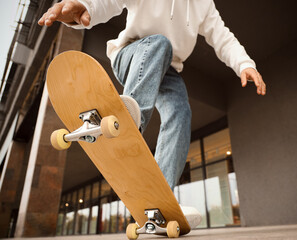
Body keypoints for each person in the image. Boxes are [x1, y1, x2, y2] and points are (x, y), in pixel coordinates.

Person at [38, 0, 266, 229]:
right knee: (160, 43)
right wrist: (86, 6)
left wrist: (244, 64)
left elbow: (222, 36)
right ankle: (128, 123)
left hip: (168, 68)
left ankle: (160, 199)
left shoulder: (204, 4)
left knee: (180, 111)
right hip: (132, 55)